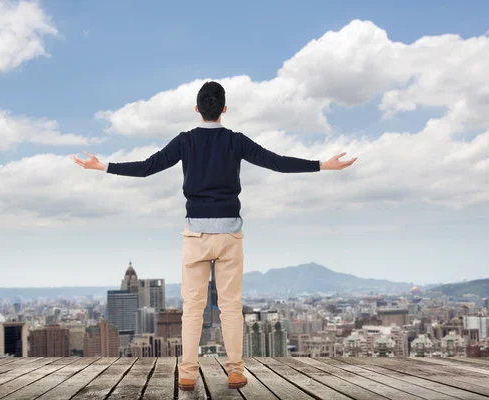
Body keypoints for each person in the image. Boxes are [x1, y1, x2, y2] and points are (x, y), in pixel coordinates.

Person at [71, 81, 357, 391]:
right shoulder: (236, 141)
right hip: (230, 235)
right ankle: (235, 371)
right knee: (231, 307)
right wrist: (322, 165)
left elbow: (147, 167)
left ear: (197, 109)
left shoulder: (185, 141)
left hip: (196, 234)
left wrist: (103, 166)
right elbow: (276, 162)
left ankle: (188, 373)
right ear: (224, 109)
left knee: (193, 308)